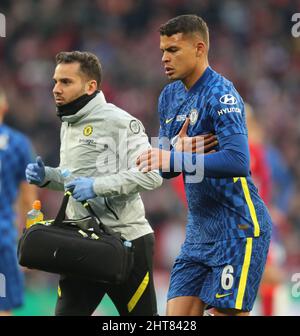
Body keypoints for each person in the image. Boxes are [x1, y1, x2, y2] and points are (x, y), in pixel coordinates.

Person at [137, 15, 273, 316]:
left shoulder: (221, 94)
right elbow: (165, 167)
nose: (164, 58)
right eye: (162, 50)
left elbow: (238, 161)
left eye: (173, 50)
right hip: (198, 233)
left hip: (237, 228)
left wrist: (176, 156)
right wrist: (175, 152)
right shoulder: (168, 97)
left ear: (199, 49)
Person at [25, 51, 163, 316]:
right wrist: (48, 177)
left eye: (66, 82)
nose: (56, 89)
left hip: (126, 241)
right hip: (81, 242)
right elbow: (75, 181)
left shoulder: (120, 122)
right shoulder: (69, 120)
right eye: (55, 81)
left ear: (90, 86)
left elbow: (152, 175)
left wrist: (97, 186)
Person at [0, 88, 37, 315]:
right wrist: (29, 244)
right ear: (4, 108)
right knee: (2, 305)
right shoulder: (17, 144)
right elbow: (28, 198)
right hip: (2, 239)